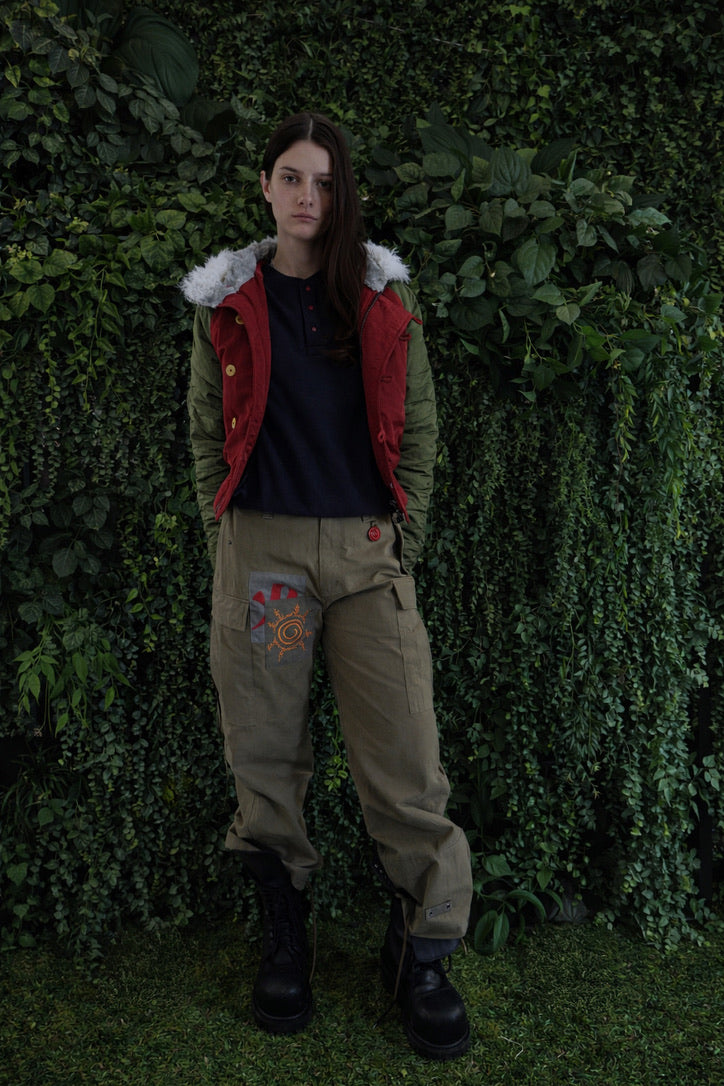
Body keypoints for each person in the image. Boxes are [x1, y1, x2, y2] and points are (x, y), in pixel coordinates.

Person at [181, 111, 473, 1061]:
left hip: (364, 561)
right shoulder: (230, 301)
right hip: (267, 566)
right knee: (266, 748)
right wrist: (226, 528)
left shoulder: (381, 297)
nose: (309, 196)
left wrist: (404, 539)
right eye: (292, 177)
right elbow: (204, 426)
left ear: (344, 194)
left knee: (405, 754)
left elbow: (419, 426)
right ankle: (286, 938)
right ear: (265, 186)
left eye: (325, 181)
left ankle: (422, 951)